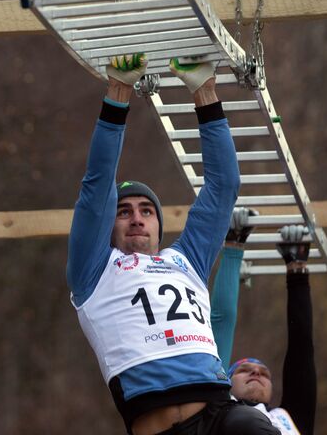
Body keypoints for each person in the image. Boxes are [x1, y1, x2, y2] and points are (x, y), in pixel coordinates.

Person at [67, 54, 278, 434]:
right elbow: (96, 186)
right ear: (107, 226)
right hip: (158, 424)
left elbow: (223, 187)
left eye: (147, 211)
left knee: (257, 425)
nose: (135, 217)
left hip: (221, 414)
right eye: (124, 211)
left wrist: (205, 92)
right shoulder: (93, 270)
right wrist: (118, 94)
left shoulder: (186, 260)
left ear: (160, 227)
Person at [211, 218, 317, 435]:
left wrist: (295, 264)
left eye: (264, 374)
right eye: (244, 370)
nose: (257, 373)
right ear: (227, 382)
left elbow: (301, 350)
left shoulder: (288, 419)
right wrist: (232, 248)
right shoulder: (213, 410)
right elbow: (220, 322)